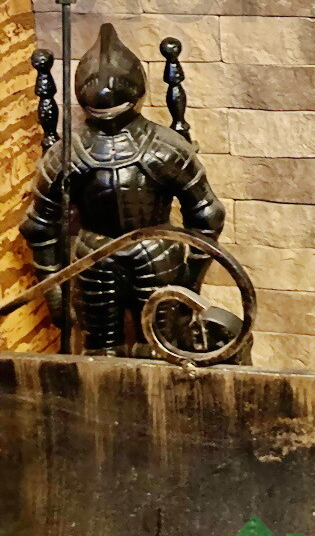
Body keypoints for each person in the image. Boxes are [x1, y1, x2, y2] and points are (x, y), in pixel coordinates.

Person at [21, 23, 225, 354]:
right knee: (99, 355)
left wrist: (191, 278)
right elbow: (40, 225)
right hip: (94, 259)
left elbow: (206, 213)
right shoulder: (68, 154)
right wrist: (55, 292)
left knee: (164, 351)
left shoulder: (164, 147)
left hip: (157, 253)